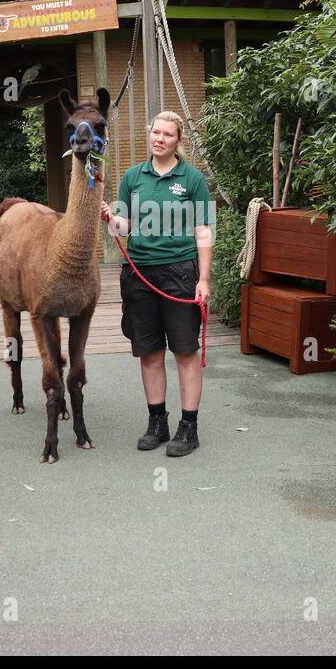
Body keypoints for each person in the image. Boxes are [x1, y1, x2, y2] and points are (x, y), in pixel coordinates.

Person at [101, 110, 213, 457]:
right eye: (155, 133)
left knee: (185, 351)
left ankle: (188, 426)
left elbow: (204, 232)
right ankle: (157, 422)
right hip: (139, 274)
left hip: (180, 273)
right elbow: (123, 229)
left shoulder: (192, 180)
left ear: (179, 141)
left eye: (167, 134)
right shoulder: (133, 177)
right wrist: (110, 218)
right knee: (149, 353)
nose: (159, 139)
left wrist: (204, 279)